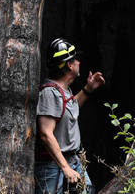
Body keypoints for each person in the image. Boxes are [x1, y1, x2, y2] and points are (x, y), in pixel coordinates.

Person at [35, 38, 105, 194]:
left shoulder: (63, 90)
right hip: (54, 167)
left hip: (73, 161)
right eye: (76, 59)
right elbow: (46, 134)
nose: (79, 62)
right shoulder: (49, 93)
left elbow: (67, 109)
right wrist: (65, 168)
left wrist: (88, 89)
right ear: (69, 65)